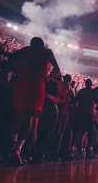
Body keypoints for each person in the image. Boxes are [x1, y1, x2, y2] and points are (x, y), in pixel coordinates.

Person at [9, 37, 60, 165]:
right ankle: (18, 148)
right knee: (29, 117)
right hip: (37, 82)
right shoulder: (47, 51)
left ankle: (12, 145)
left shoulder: (24, 50)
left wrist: (18, 71)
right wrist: (47, 78)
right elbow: (57, 70)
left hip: (22, 80)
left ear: (31, 44)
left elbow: (9, 60)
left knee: (17, 114)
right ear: (42, 44)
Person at [69, 79, 98, 159]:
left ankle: (71, 150)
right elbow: (96, 101)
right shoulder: (93, 91)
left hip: (79, 113)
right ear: (91, 84)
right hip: (88, 113)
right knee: (90, 133)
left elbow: (74, 101)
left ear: (85, 84)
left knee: (76, 131)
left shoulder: (81, 91)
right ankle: (89, 151)